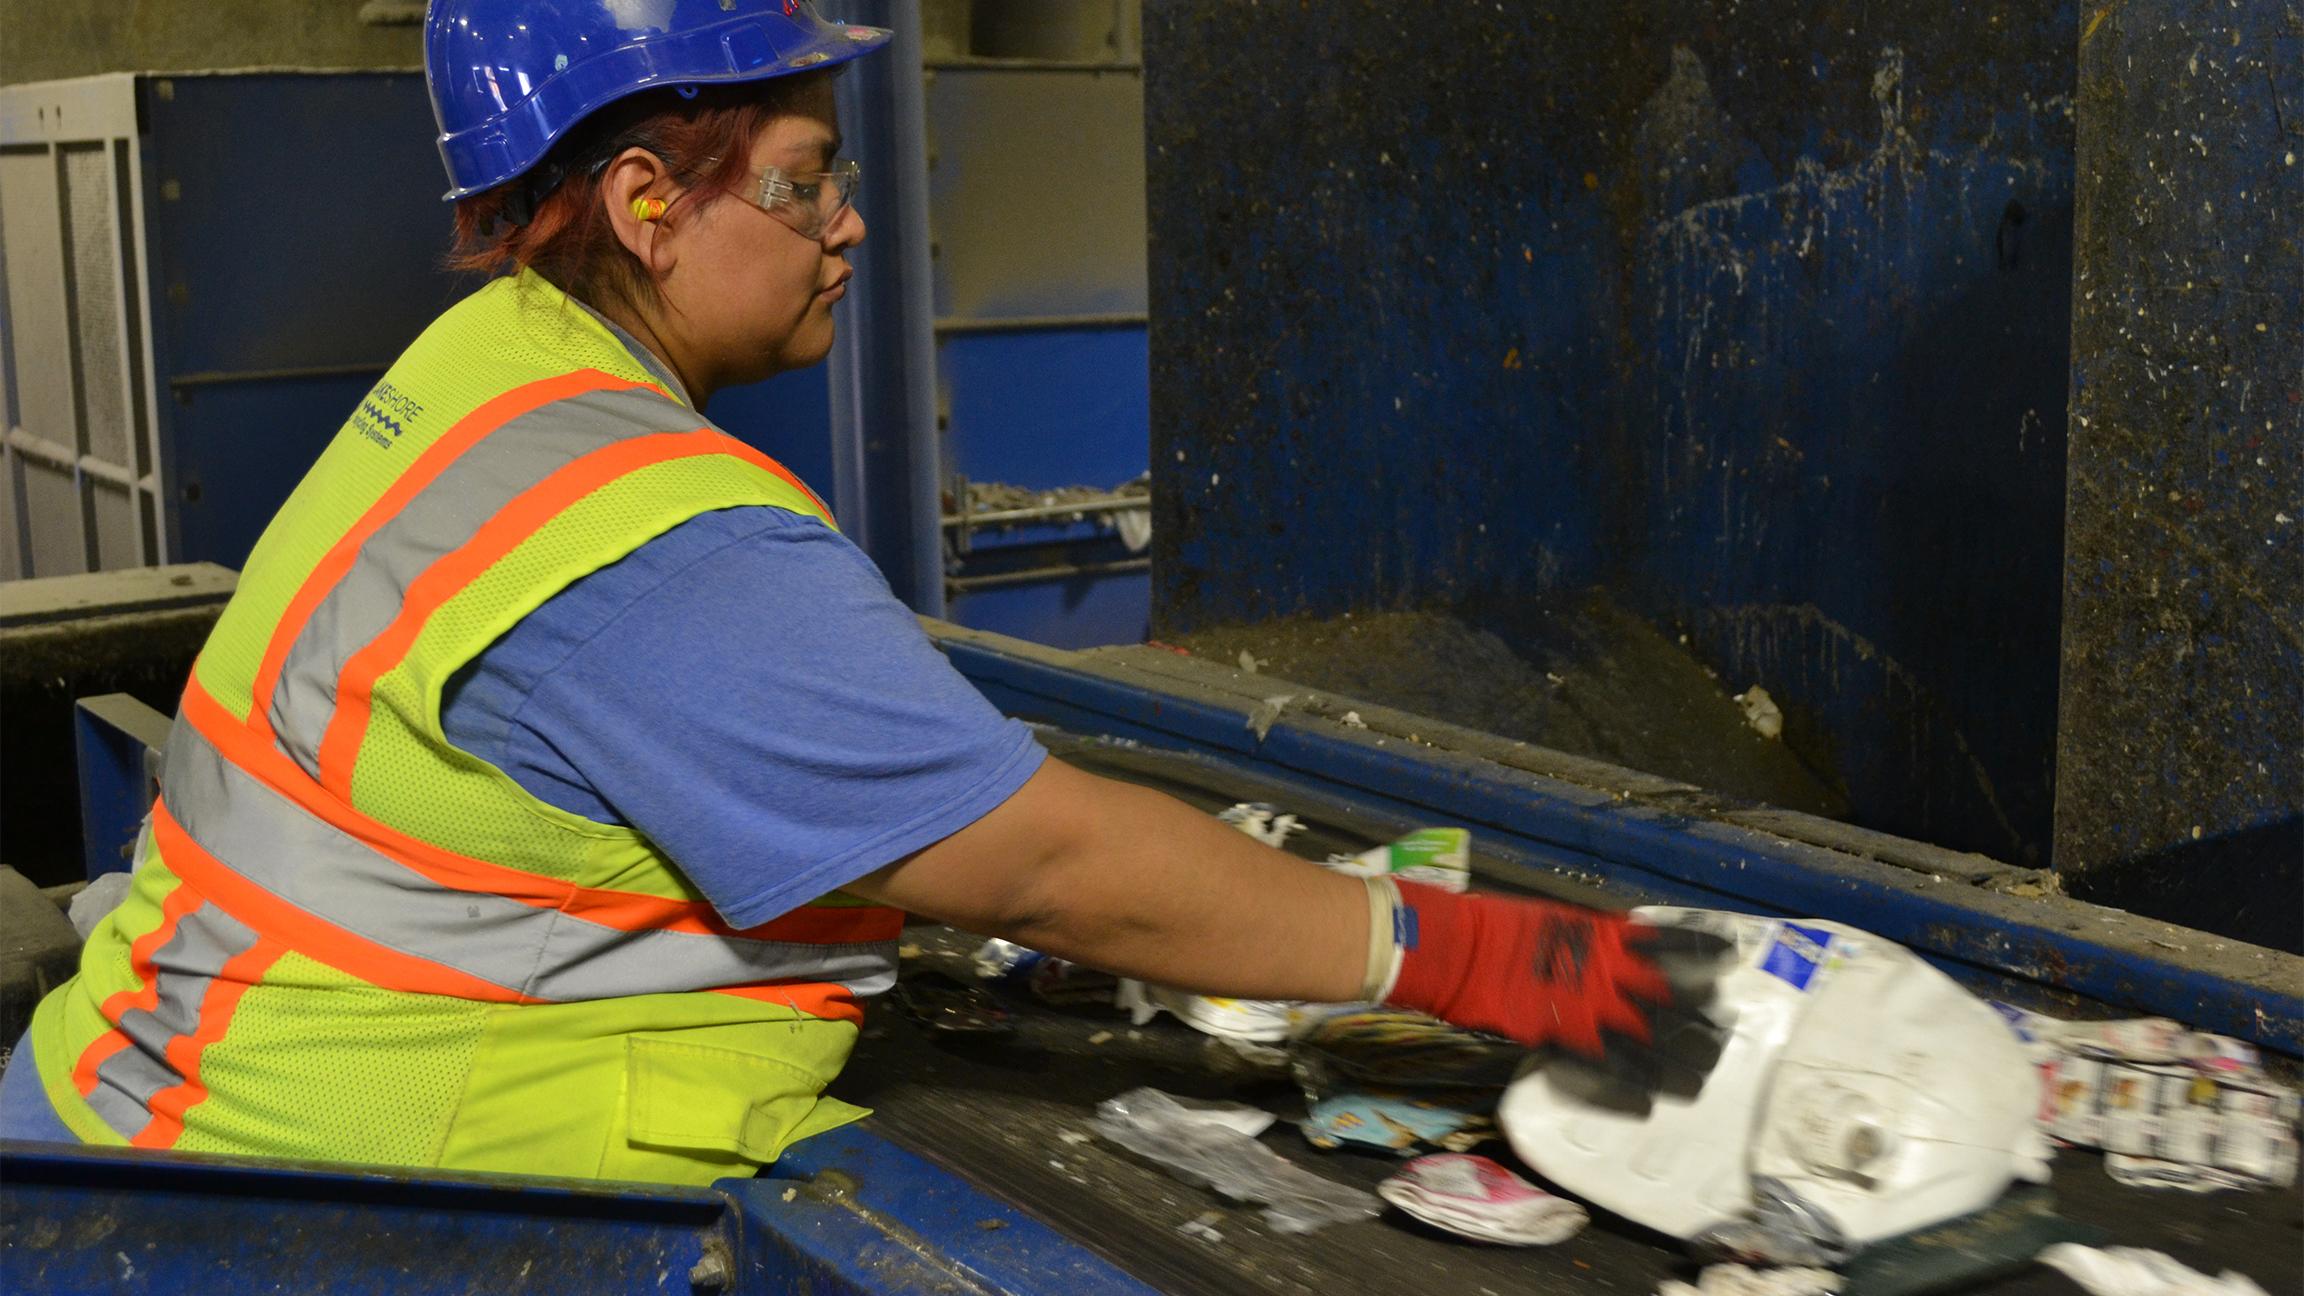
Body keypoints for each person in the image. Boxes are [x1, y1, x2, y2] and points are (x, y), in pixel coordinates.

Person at [2, 0, 1721, 1183]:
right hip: (323, 1197)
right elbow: (1050, 865)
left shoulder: (486, 374)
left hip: (150, 1092)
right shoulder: (652, 537)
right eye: (805, 178)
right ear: (645, 205)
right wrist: (1491, 957)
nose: (845, 225)